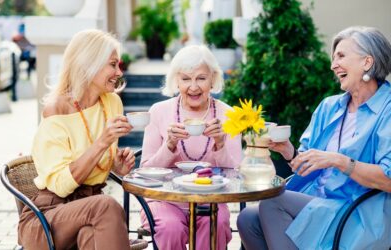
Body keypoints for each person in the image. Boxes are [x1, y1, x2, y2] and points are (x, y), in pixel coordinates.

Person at [237, 26, 391, 249]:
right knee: (247, 220)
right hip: (317, 201)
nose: (333, 65)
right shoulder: (330, 106)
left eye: (341, 56)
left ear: (367, 62)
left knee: (272, 202)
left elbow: (388, 178)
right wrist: (289, 151)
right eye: (333, 57)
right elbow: (305, 164)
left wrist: (338, 160)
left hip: (355, 212)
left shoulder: (387, 110)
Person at [18, 29, 135, 250]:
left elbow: (98, 164)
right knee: (105, 206)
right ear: (89, 64)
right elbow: (61, 186)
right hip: (48, 217)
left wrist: (116, 164)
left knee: (92, 236)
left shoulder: (111, 103)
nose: (119, 72)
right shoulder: (56, 110)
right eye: (112, 64)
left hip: (91, 213)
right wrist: (103, 142)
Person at [140, 45, 242, 250]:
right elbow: (144, 173)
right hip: (165, 200)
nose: (193, 87)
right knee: (170, 228)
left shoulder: (229, 115)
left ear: (213, 79)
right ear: (176, 81)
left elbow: (238, 176)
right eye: (186, 79)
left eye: (201, 78)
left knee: (217, 223)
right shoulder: (159, 111)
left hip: (211, 200)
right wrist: (168, 146)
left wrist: (220, 145)